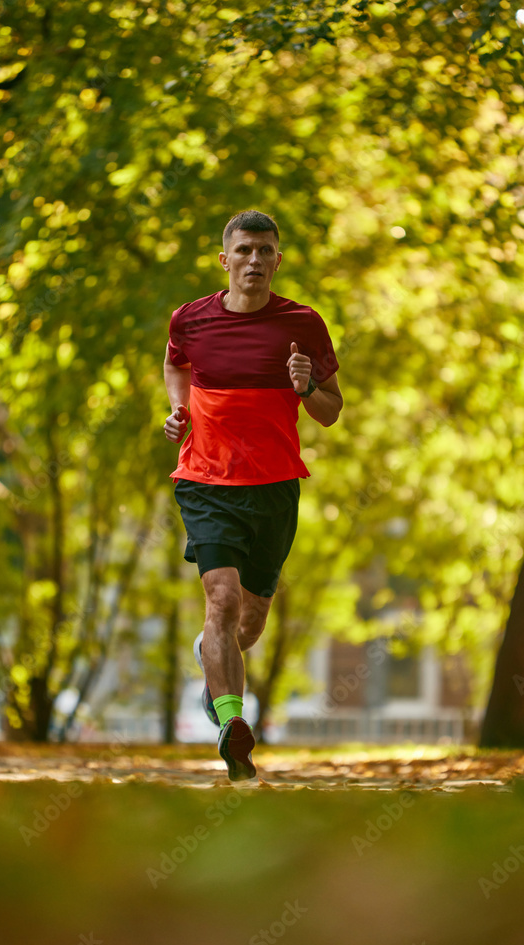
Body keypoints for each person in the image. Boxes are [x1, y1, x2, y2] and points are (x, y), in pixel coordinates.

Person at [163, 209, 342, 780]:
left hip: (274, 487)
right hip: (206, 481)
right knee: (221, 601)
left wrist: (306, 387)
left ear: (278, 261)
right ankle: (231, 727)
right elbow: (175, 362)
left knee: (250, 621)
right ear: (225, 260)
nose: (254, 260)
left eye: (265, 251)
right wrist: (178, 409)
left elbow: (331, 411)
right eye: (244, 250)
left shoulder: (303, 324)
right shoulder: (191, 319)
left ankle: (210, 660)